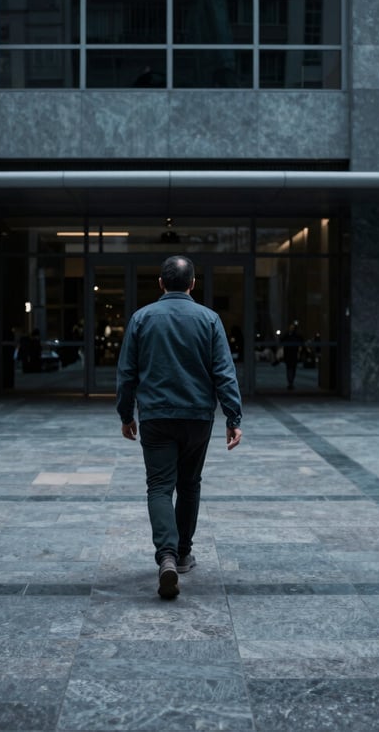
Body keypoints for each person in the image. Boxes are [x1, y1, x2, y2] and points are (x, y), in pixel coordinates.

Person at [116, 255, 243, 600]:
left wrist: (126, 415)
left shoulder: (142, 318)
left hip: (156, 417)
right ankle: (183, 553)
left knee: (159, 486)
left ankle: (166, 556)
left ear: (161, 283)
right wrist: (233, 417)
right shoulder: (209, 319)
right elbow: (223, 372)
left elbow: (127, 373)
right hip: (197, 418)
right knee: (189, 484)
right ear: (192, 284)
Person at [282, 321, 304, 389]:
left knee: (293, 369)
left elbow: (301, 342)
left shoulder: (296, 336)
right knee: (289, 369)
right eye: (290, 328)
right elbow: (282, 341)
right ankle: (290, 382)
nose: (291, 329)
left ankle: (291, 382)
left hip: (294, 354)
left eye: (292, 328)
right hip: (288, 354)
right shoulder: (286, 335)